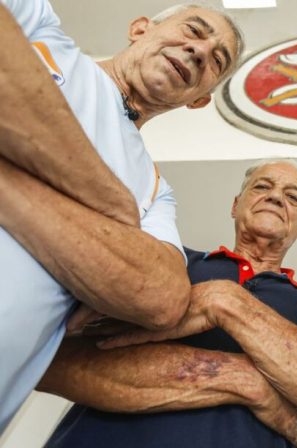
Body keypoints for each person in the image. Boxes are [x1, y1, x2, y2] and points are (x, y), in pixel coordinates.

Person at [0, 0, 243, 432]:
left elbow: (160, 295)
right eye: (194, 30)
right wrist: (113, 210)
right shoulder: (43, 34)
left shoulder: (154, 193)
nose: (200, 52)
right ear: (139, 28)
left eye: (215, 60)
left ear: (199, 100)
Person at [39, 160, 297, 448]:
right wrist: (247, 380)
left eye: (292, 197)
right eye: (262, 186)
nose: (275, 196)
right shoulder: (167, 262)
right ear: (235, 205)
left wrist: (224, 304)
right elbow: (53, 357)